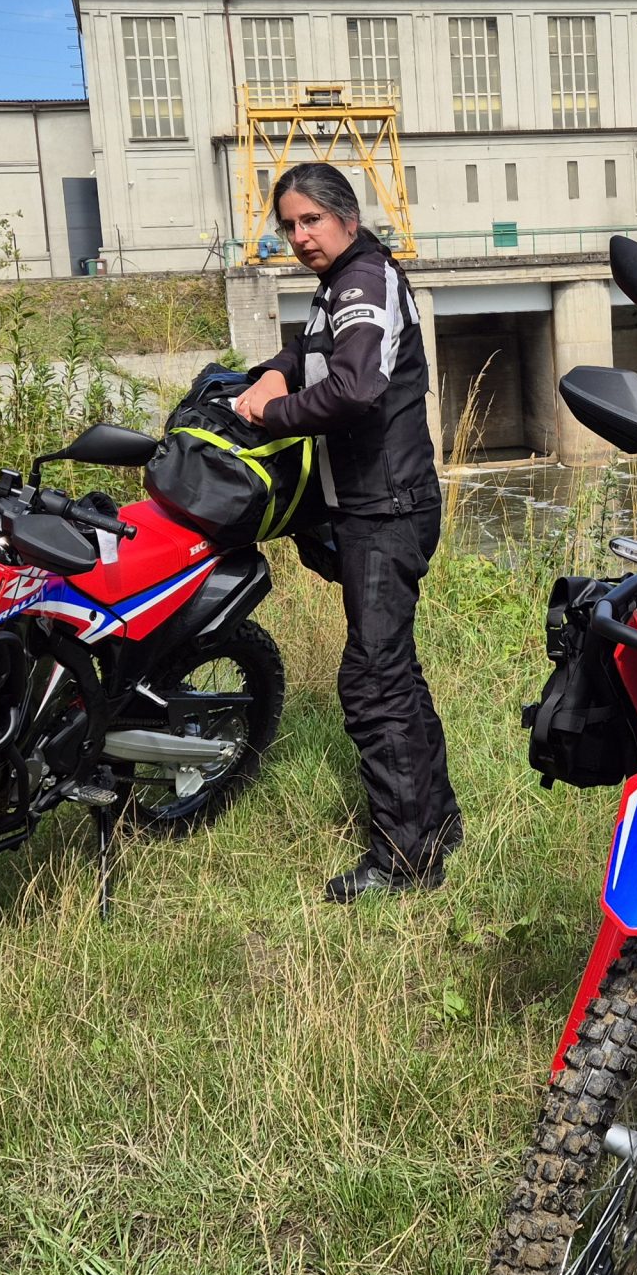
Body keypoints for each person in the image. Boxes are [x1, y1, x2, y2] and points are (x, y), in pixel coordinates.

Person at [233, 165, 462, 900]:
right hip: (373, 507)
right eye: (288, 225)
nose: (299, 236)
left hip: (386, 511)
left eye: (312, 221)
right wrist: (276, 369)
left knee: (372, 681)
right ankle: (436, 824)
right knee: (393, 669)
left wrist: (270, 413)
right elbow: (313, 353)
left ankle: (404, 860)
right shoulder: (341, 283)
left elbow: (357, 387)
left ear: (348, 220)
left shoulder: (362, 280)